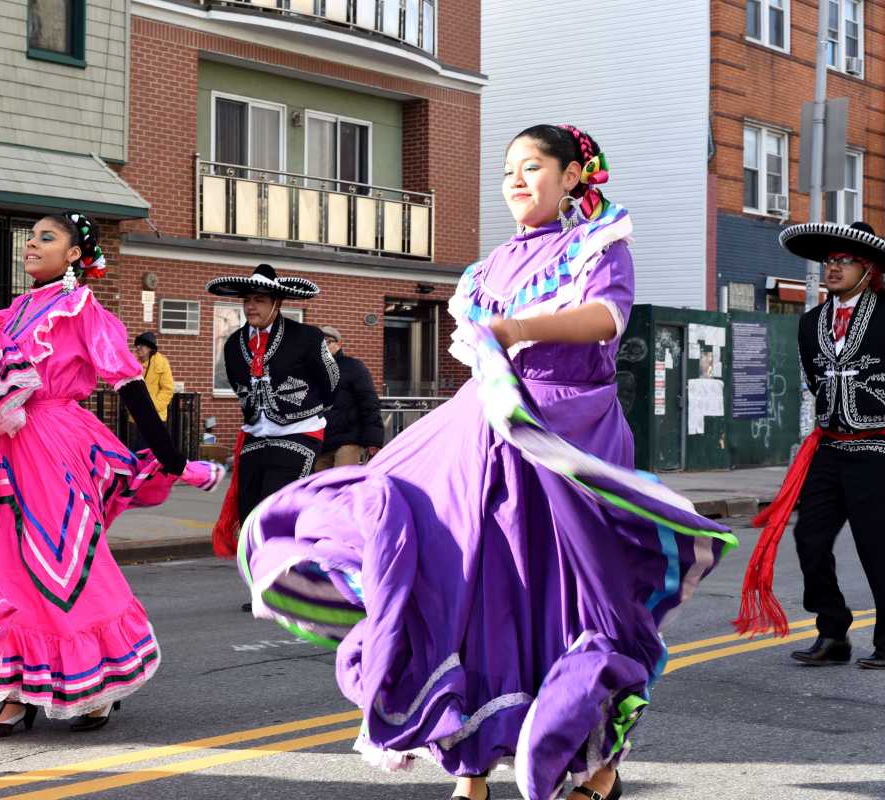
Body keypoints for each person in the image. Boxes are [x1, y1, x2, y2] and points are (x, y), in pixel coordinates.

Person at [235, 126, 735, 800]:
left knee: (567, 603)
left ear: (572, 177)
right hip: (481, 439)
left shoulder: (599, 242)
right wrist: (497, 346)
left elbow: (604, 319)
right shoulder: (491, 266)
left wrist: (518, 330)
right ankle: (470, 768)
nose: (518, 181)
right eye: (509, 171)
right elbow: (480, 349)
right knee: (466, 587)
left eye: (533, 167)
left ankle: (596, 766)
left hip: (565, 437)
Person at [0, 212, 223, 737]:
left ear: (74, 254)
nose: (31, 245)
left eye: (45, 238)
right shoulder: (8, 316)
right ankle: (14, 692)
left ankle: (96, 684)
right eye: (30, 238)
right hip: (0, 452)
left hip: (54, 447)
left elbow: (129, 384)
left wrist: (169, 455)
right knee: (3, 565)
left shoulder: (84, 310)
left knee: (65, 565)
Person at [735, 220, 885, 671]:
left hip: (884, 448)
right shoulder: (811, 322)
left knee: (881, 548)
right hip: (830, 447)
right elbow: (816, 380)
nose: (833, 268)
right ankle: (833, 633)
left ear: (867, 268)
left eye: (843, 260)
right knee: (810, 538)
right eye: (829, 260)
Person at [206, 263, 339, 560]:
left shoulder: (307, 337)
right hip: (256, 432)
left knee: (276, 506)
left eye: (260, 300)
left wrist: (307, 409)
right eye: (247, 300)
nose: (251, 306)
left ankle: (286, 581)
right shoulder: (233, 344)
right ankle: (260, 586)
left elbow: (331, 381)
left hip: (297, 432)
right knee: (250, 512)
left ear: (276, 303)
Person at [314, 325, 383, 471]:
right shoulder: (313, 369)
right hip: (321, 441)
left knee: (342, 484)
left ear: (338, 343)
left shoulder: (354, 367)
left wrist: (373, 440)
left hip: (348, 439)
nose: (323, 346)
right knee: (320, 488)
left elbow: (369, 402)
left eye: (327, 341)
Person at [128, 331, 175, 452]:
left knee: (153, 452)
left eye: (142, 345)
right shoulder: (131, 362)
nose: (138, 347)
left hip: (155, 416)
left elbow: (167, 389)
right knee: (138, 451)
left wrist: (152, 407)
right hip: (136, 416)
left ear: (150, 348)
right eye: (137, 345)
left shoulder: (161, 362)